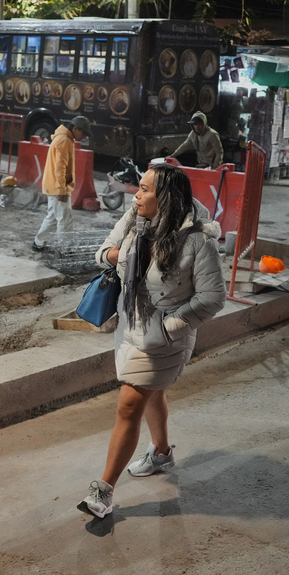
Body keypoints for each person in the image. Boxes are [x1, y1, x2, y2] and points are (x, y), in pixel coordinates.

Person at [78, 164, 226, 519]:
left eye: (144, 190)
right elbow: (103, 251)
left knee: (130, 403)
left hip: (166, 335)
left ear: (167, 199)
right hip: (130, 323)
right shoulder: (134, 220)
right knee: (152, 392)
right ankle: (161, 452)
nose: (135, 195)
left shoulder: (197, 240)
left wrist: (167, 326)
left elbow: (212, 298)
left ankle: (104, 491)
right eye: (138, 187)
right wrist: (123, 256)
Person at [32, 116, 90, 252]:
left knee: (53, 216)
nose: (84, 137)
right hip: (58, 188)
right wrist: (62, 190)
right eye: (84, 133)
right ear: (75, 129)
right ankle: (65, 249)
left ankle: (39, 242)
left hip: (54, 186)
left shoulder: (64, 139)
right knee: (64, 218)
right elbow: (60, 168)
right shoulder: (64, 141)